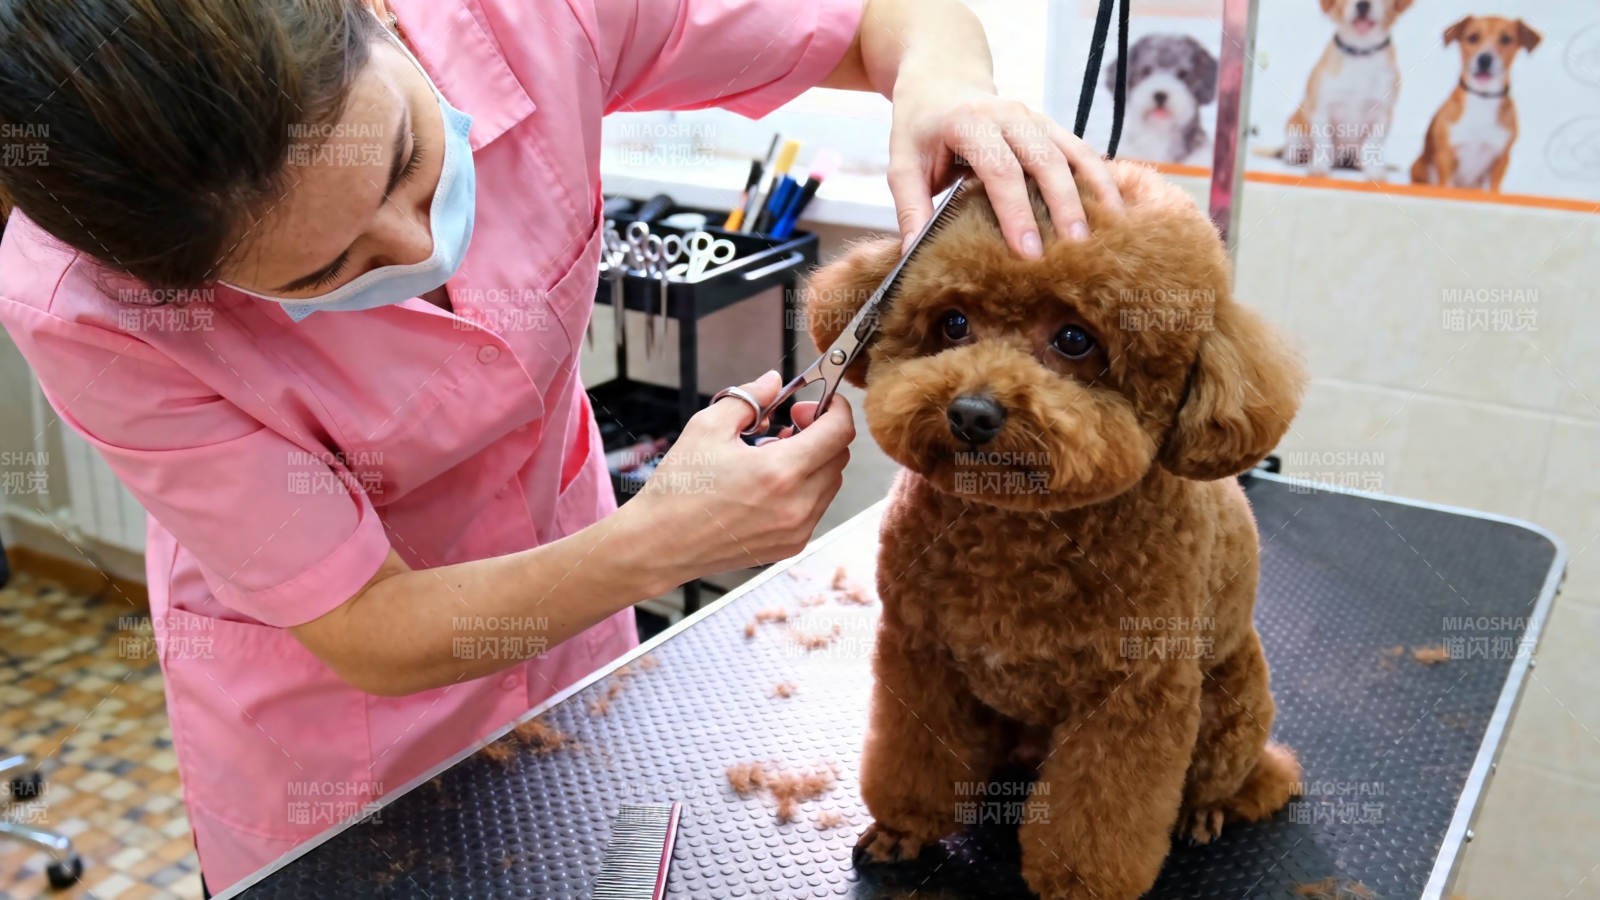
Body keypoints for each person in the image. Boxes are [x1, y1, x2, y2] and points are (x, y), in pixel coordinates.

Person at [0, 0, 1122, 891]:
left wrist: (945, 84)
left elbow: (894, 17)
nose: (412, 244)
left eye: (404, 160)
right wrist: (663, 541)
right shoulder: (82, 308)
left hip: (576, 635)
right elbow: (364, 628)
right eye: (319, 275)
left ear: (382, 13)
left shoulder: (527, 14)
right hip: (333, 741)